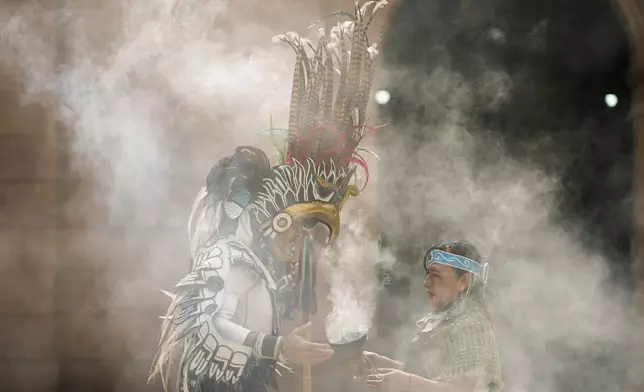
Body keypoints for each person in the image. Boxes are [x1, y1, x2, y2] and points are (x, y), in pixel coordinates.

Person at [148, 2, 388, 391]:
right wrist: (277, 346)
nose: (297, 246)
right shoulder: (226, 255)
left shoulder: (260, 266)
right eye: (295, 233)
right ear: (276, 219)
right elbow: (211, 320)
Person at [364, 241, 503, 392]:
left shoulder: (473, 327)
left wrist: (407, 383)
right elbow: (432, 373)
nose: (426, 283)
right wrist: (381, 363)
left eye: (436, 275)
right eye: (428, 274)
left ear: (463, 281)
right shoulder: (448, 318)